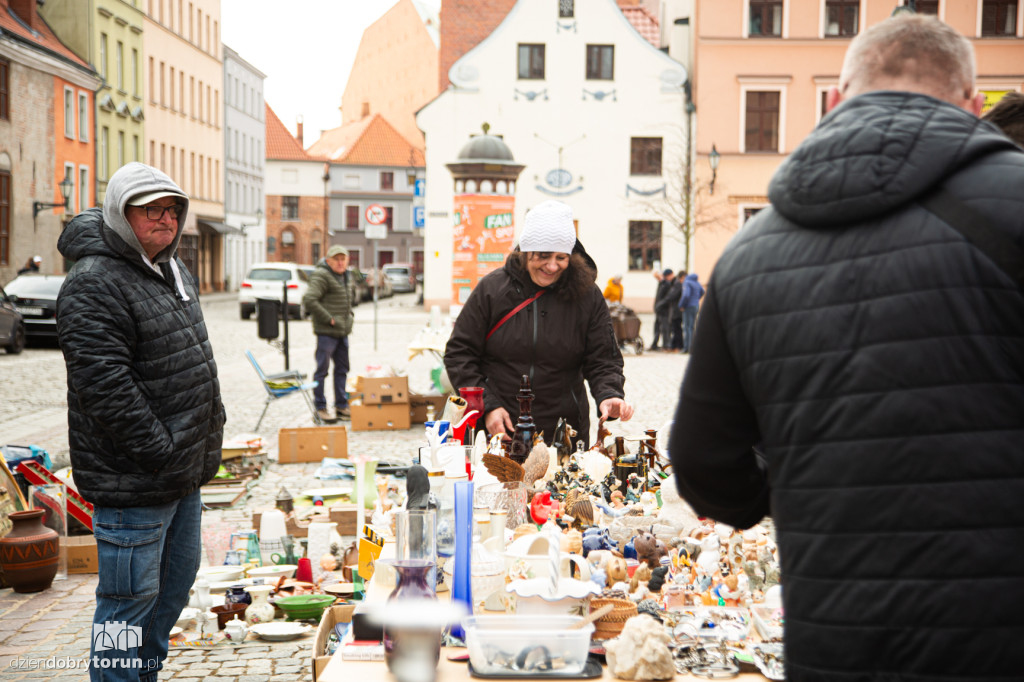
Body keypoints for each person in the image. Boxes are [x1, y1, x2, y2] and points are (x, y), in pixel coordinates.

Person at [669, 15, 1024, 681]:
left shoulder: (748, 254)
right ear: (974, 105)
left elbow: (703, 467)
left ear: (834, 101)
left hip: (835, 645)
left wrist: (807, 483)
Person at [55, 162, 225, 682]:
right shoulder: (93, 282)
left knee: (171, 593)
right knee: (125, 609)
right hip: (134, 481)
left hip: (182, 475)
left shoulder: (171, 268)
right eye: (151, 209)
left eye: (172, 209)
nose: (165, 219)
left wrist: (203, 435)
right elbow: (104, 386)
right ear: (120, 214)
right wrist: (162, 448)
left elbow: (189, 356)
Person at [445, 199, 633, 449]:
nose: (552, 265)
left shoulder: (587, 295)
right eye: (543, 256)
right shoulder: (493, 290)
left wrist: (609, 393)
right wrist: (488, 406)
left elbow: (603, 358)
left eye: (561, 257)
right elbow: (459, 355)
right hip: (503, 428)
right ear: (525, 251)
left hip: (564, 431)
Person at [303, 244, 355, 422]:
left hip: (342, 331)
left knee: (342, 369)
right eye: (337, 259)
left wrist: (349, 317)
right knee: (322, 370)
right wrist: (329, 319)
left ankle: (341, 406)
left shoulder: (345, 275)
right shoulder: (322, 275)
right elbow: (309, 299)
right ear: (328, 260)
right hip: (327, 332)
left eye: (343, 259)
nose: (340, 263)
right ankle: (320, 408)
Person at [677, 271, 704, 353]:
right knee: (692, 327)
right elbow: (703, 291)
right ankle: (692, 347)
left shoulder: (687, 282)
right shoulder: (696, 282)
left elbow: (686, 295)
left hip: (688, 307)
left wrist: (681, 305)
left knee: (687, 327)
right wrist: (696, 299)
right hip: (696, 306)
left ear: (683, 277)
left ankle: (686, 348)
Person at [649, 269, 674, 351]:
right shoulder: (661, 283)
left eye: (657, 276)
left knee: (665, 328)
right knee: (657, 327)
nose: (656, 278)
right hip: (659, 309)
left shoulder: (666, 284)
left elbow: (667, 298)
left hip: (664, 310)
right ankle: (654, 344)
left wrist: (660, 305)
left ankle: (666, 345)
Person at [667, 271, 683, 351]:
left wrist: (668, 296)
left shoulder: (677, 284)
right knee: (676, 329)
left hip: (677, 311)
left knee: (677, 329)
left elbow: (672, 295)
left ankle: (678, 346)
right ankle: (674, 346)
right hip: (675, 310)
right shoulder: (675, 283)